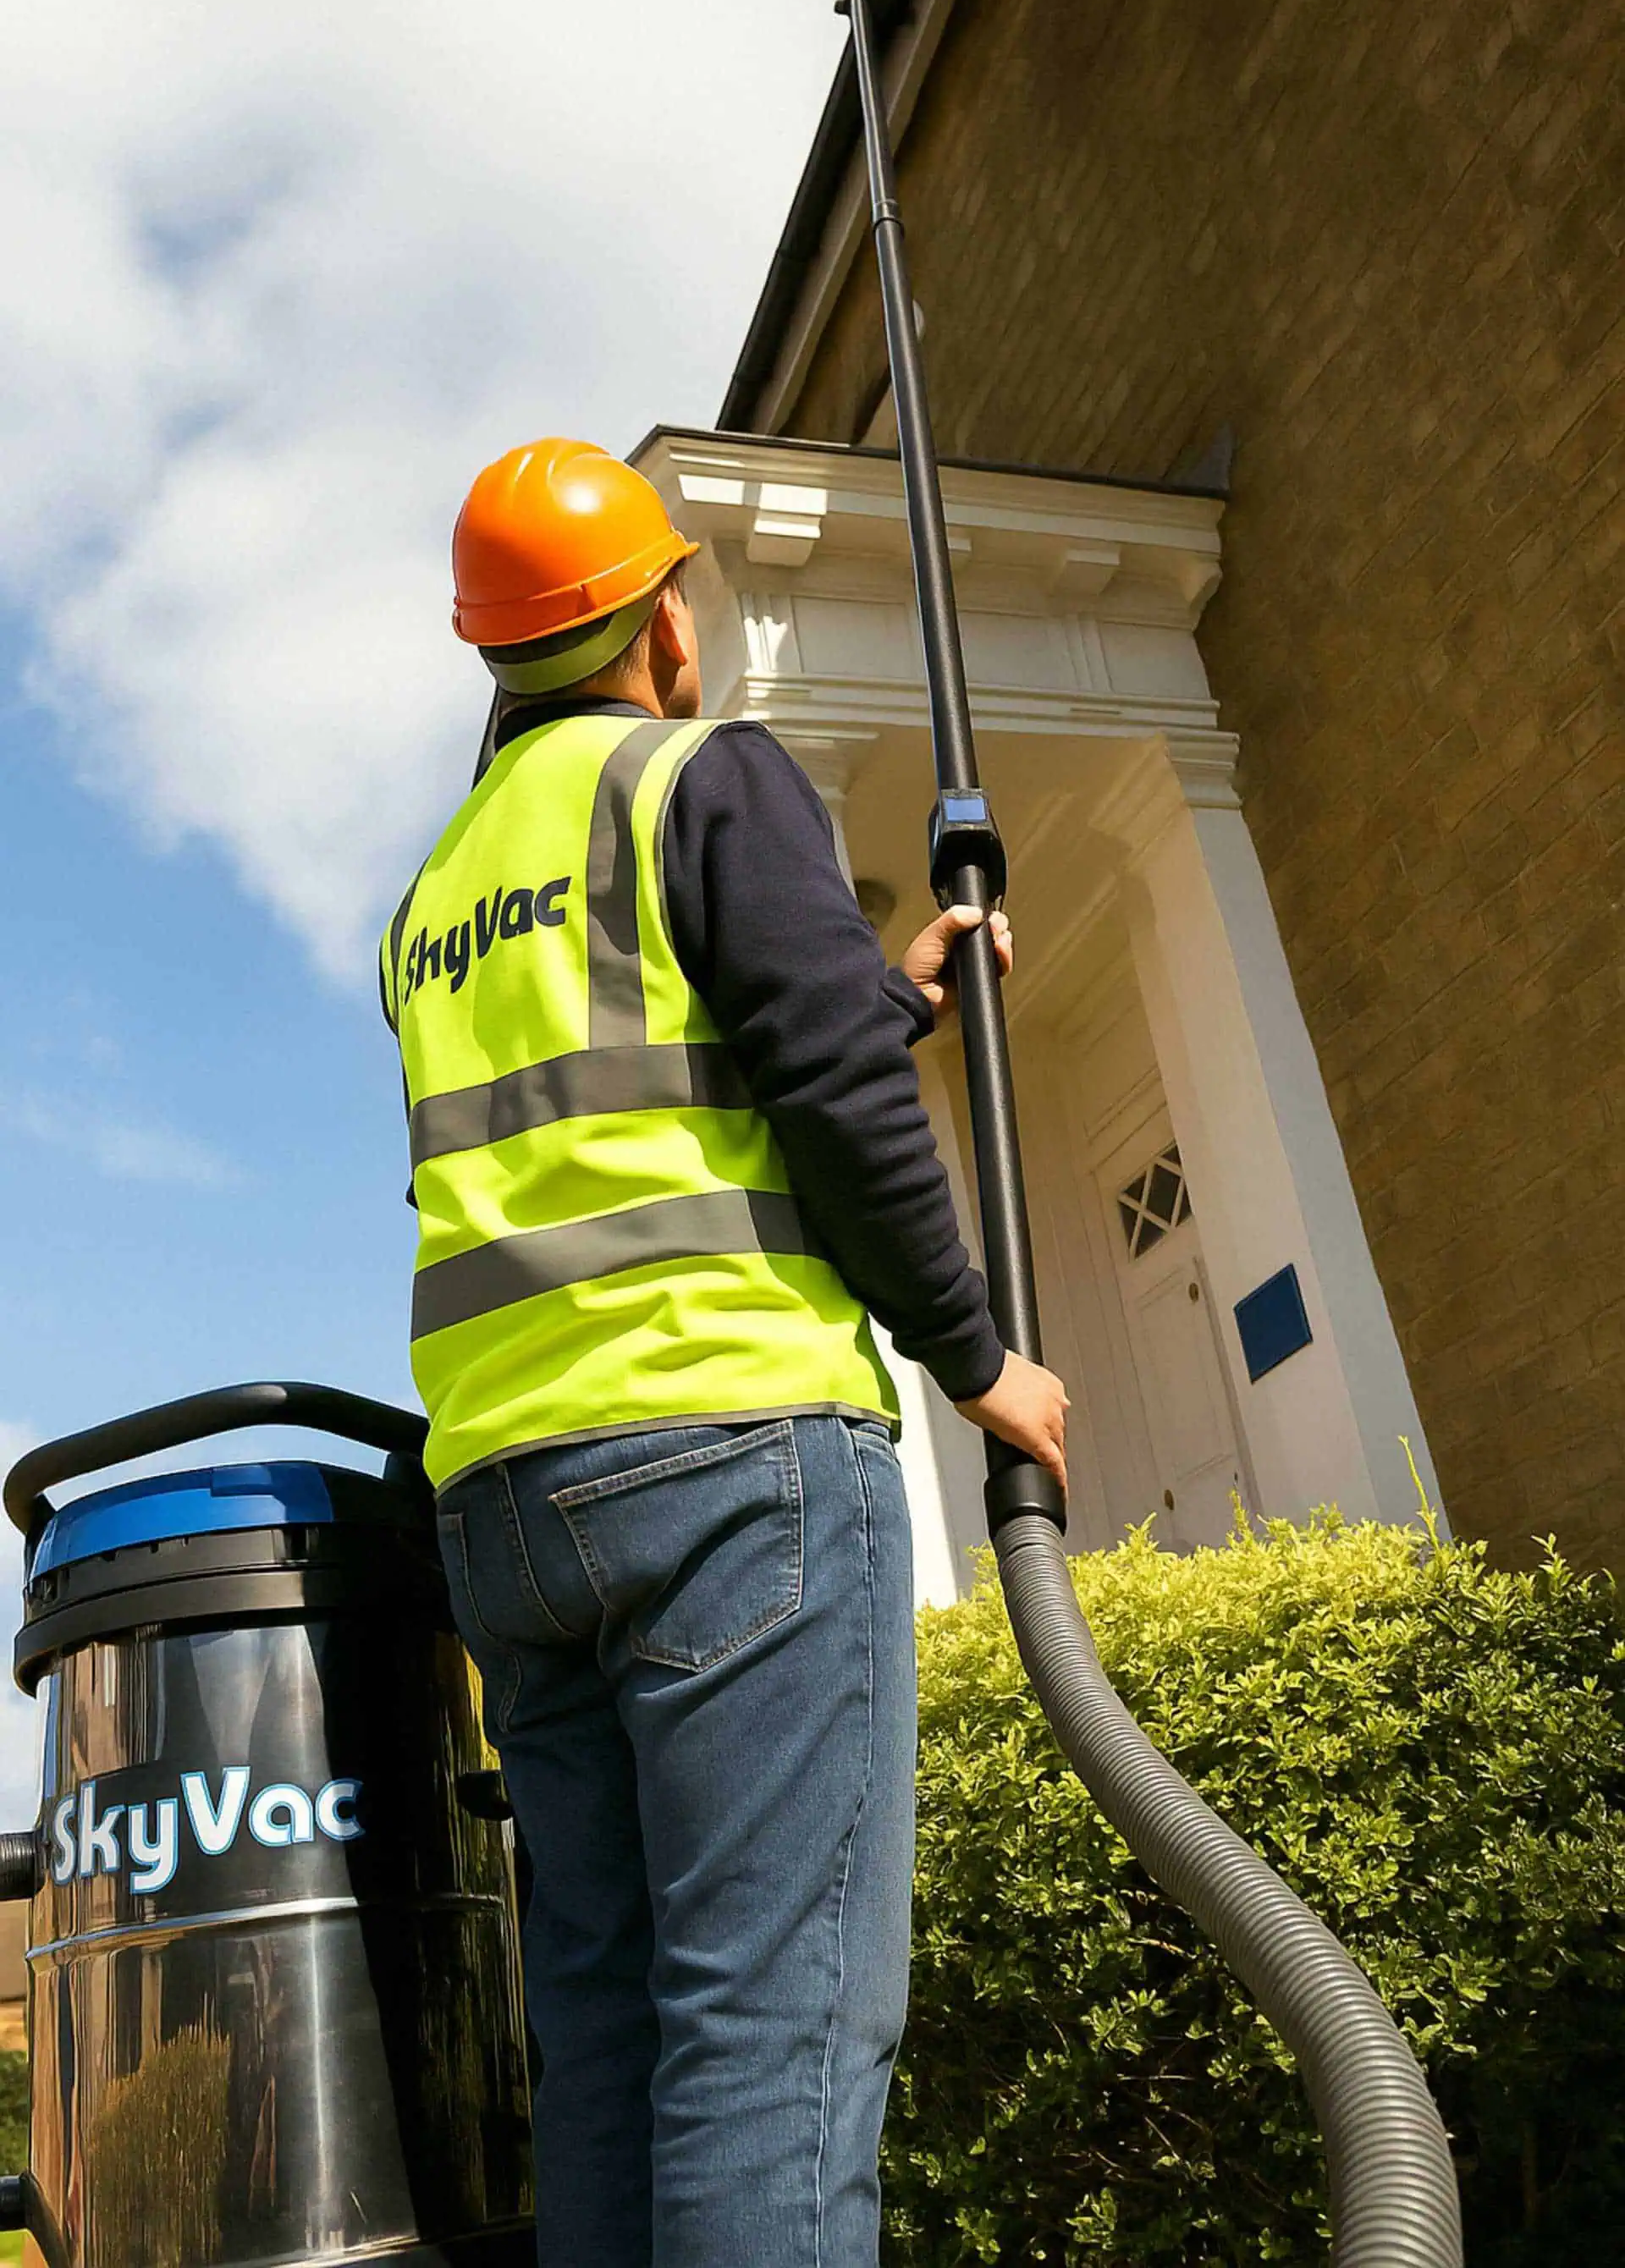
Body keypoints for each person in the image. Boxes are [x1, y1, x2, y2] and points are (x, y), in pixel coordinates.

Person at [380, 438, 1069, 2268]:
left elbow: (681, 1072)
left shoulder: (439, 893)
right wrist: (974, 1355)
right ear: (662, 625)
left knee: (606, 2030)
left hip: (510, 1512)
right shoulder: (704, 775)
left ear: (496, 657)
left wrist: (892, 990)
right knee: (773, 2033)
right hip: (728, 1469)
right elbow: (827, 1093)